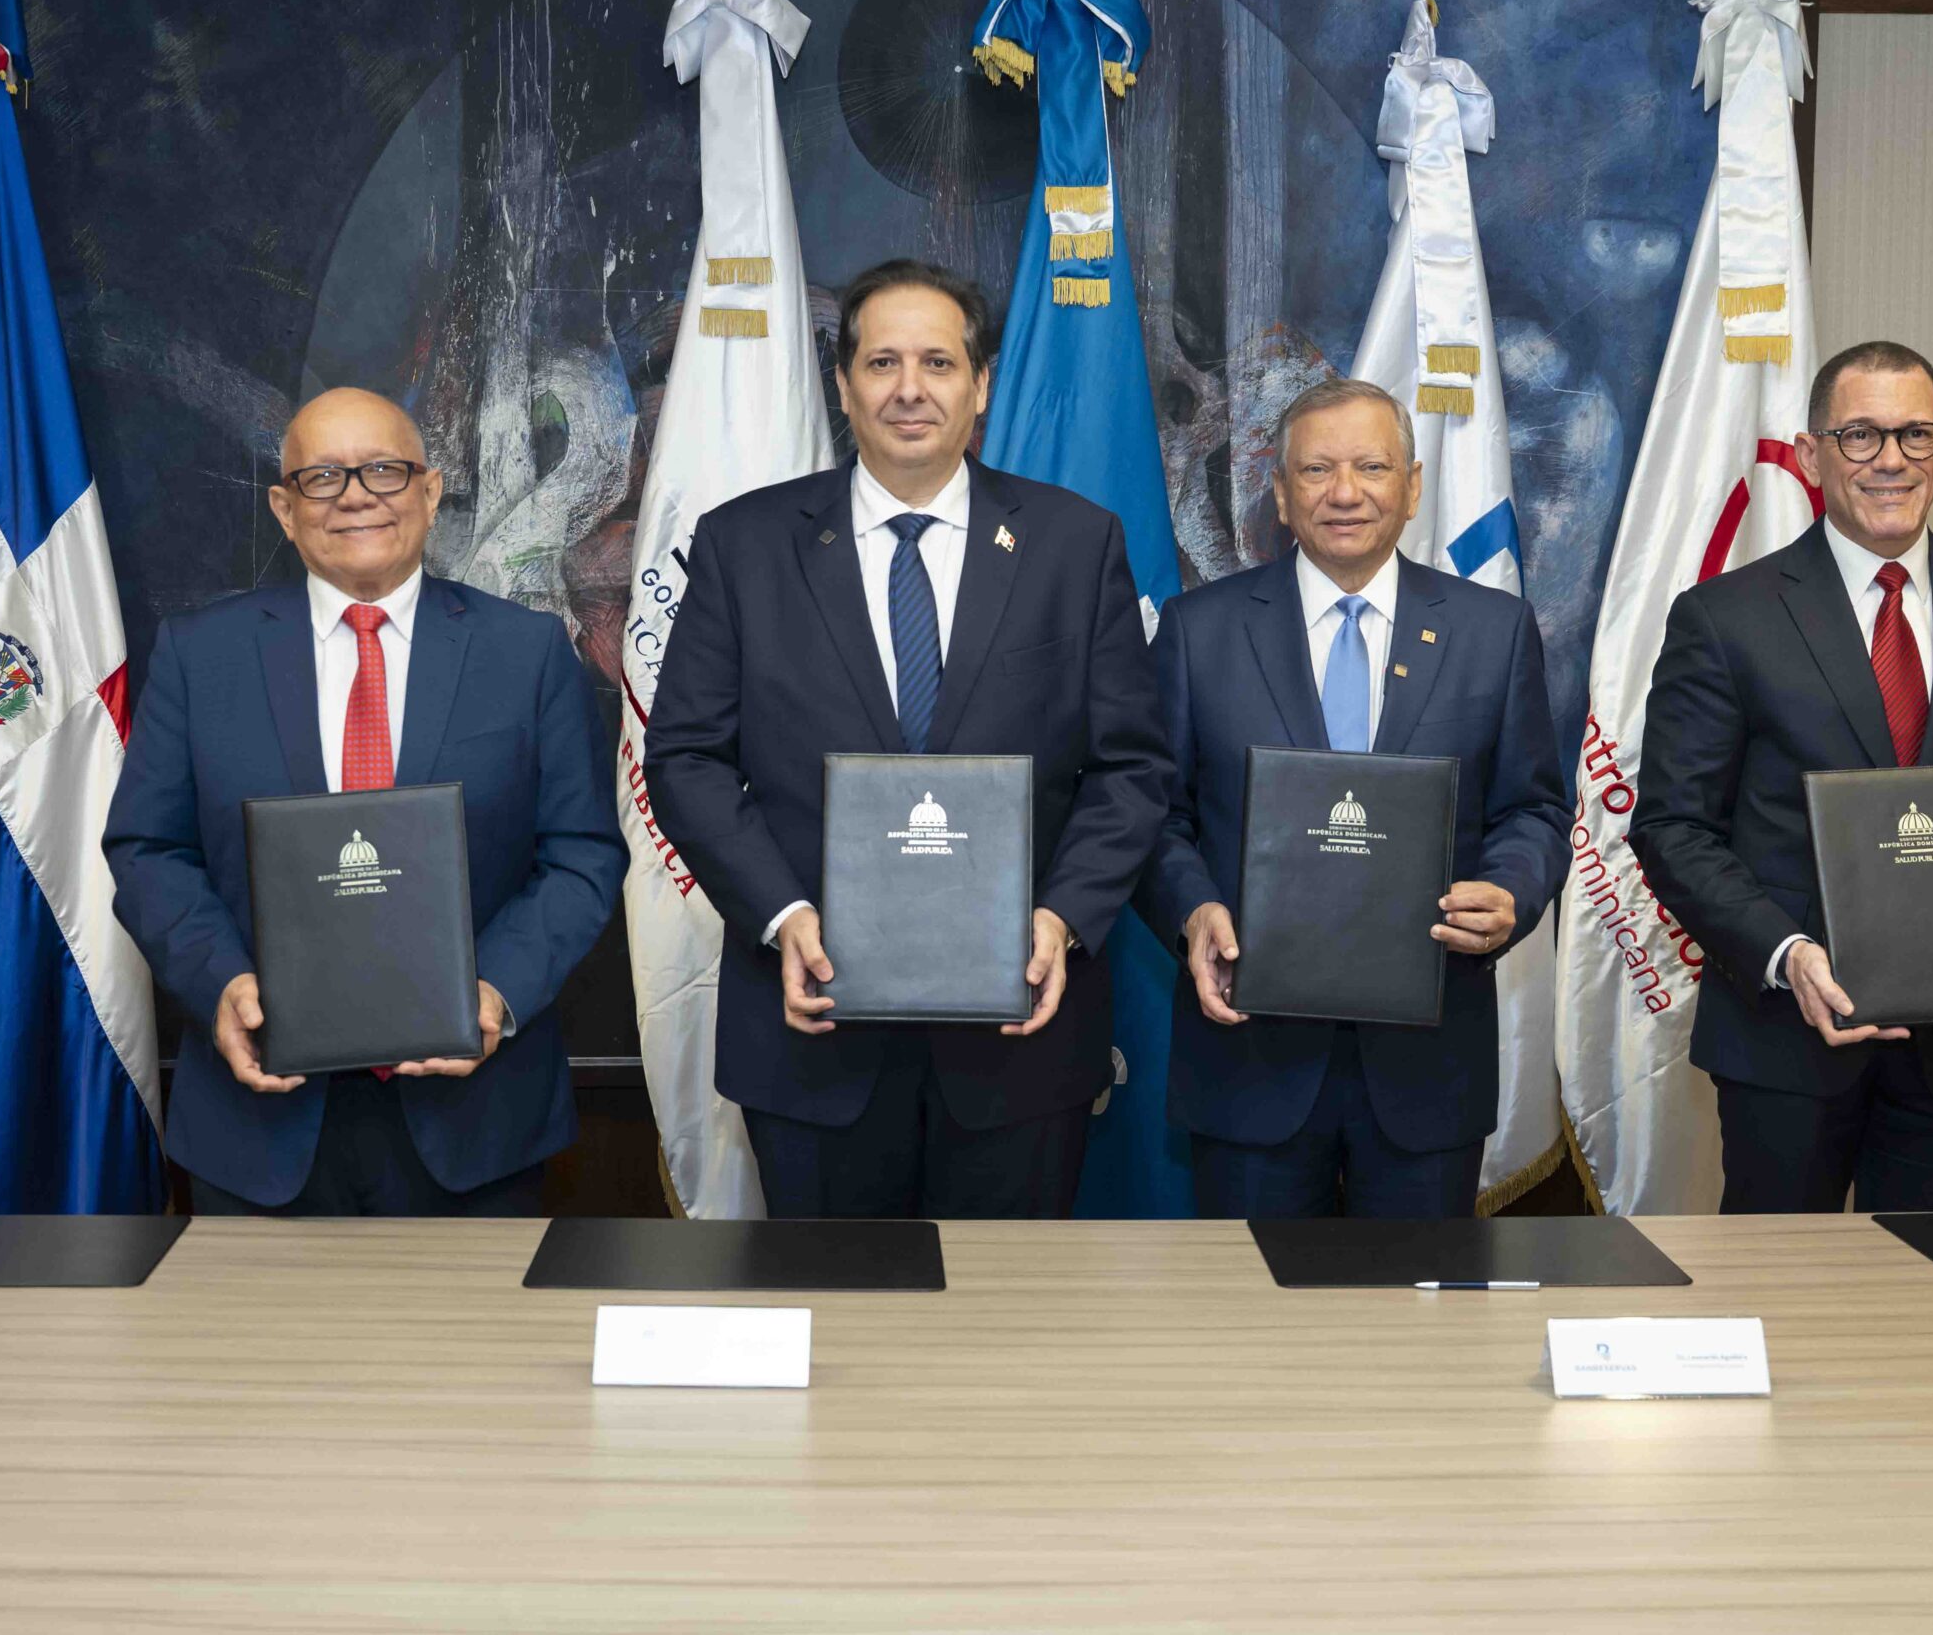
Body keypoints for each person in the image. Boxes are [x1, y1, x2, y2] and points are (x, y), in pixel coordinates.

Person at [644, 258, 1173, 1218]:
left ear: (982, 385)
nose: (909, 388)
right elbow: (685, 760)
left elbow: (1130, 768)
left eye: (937, 361)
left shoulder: (1074, 542)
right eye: (881, 362)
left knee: (1003, 1309)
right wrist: (781, 916)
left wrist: (1060, 916)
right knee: (835, 1304)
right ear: (843, 386)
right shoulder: (743, 545)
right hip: (812, 1032)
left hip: (1020, 1036)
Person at [103, 387, 626, 1215]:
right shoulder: (201, 656)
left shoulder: (525, 653)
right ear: (284, 508)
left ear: (430, 490)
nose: (355, 496)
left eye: (384, 470)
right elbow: (147, 850)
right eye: (322, 476)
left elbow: (582, 854)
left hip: (476, 1122)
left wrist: (497, 989)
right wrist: (220, 982)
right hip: (260, 1122)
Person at [1629, 341, 1933, 1214]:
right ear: (1811, 456)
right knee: (1779, 1285)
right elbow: (1673, 827)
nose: (1890, 459)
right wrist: (1787, 956)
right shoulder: (1724, 619)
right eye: (1860, 435)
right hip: (1786, 1039)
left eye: (1915, 434)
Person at [1140, 379, 1569, 1218]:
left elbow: (1535, 809)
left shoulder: (1494, 631)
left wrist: (1509, 891)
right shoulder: (1199, 630)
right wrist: (1192, 910)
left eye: (1372, 467)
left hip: (1427, 1066)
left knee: (1417, 1299)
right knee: (1249, 1297)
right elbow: (1156, 813)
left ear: (1413, 486)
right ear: (1280, 492)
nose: (1345, 492)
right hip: (1249, 1063)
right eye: (1317, 469)